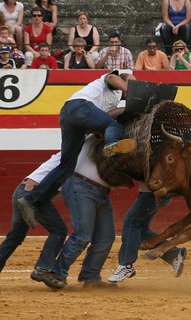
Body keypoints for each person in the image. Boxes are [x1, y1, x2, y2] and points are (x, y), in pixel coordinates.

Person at [16, 71, 137, 229]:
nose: (133, 88)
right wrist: (129, 90)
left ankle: (31, 200)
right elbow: (112, 78)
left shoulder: (113, 99)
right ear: (124, 82)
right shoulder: (113, 82)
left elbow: (103, 116)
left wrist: (124, 109)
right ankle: (111, 145)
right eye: (131, 84)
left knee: (66, 167)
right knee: (114, 126)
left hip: (71, 116)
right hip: (79, 107)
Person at [0, 152, 68, 291]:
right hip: (34, 195)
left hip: (22, 190)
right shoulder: (74, 155)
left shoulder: (68, 152)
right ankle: (43, 269)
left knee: (15, 236)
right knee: (59, 230)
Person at [37, 134, 117, 289]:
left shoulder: (120, 139)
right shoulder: (95, 133)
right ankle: (56, 275)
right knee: (82, 235)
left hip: (103, 192)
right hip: (80, 186)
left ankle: (91, 277)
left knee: (106, 237)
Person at [107, 186, 187, 283]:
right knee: (140, 228)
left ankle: (126, 264)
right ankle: (173, 254)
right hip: (153, 191)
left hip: (154, 191)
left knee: (132, 221)